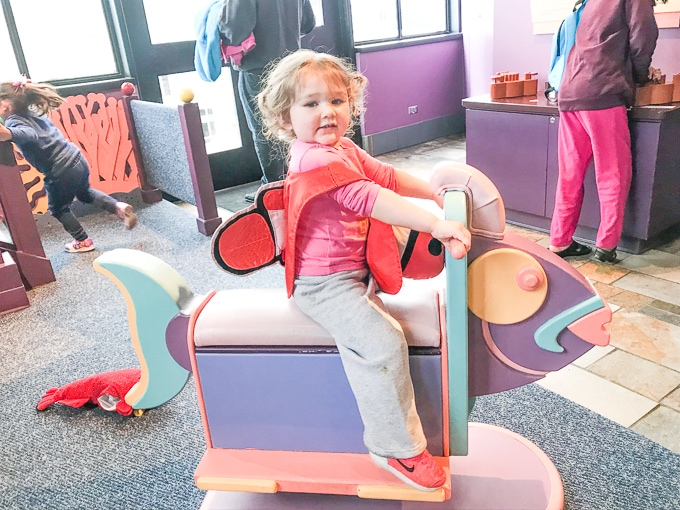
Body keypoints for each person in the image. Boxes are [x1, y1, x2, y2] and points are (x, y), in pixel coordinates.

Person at [257, 49, 471, 491]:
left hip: (354, 268)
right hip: (323, 284)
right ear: (285, 117)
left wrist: (437, 191)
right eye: (311, 104)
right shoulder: (315, 160)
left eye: (336, 101)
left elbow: (386, 178)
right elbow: (371, 199)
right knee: (382, 342)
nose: (327, 112)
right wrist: (435, 223)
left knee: (409, 296)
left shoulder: (342, 149)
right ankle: (395, 450)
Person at [548, 0, 660, 264]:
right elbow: (643, 37)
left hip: (570, 91)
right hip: (602, 91)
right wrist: (639, 76)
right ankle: (606, 245)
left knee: (570, 174)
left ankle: (559, 241)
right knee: (613, 172)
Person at [0, 79, 137, 253]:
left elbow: (29, 135)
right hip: (76, 158)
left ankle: (83, 240)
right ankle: (118, 207)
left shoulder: (13, 122)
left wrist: (8, 133)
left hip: (59, 169)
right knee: (84, 193)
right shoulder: (32, 112)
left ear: (6, 104)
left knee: (58, 209)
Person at [218, 0, 316, 202]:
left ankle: (273, 189)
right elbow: (308, 23)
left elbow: (235, 31)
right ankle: (296, 182)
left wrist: (218, 14)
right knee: (291, 126)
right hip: (291, 66)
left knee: (265, 130)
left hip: (259, 67)